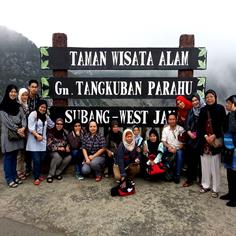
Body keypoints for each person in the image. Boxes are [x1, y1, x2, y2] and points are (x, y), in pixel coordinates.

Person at [198, 90, 226, 198]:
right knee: (205, 164)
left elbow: (223, 124)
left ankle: (215, 188)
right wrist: (205, 136)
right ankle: (206, 185)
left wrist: (214, 135)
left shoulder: (220, 108)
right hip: (204, 142)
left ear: (215, 97)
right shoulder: (203, 110)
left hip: (215, 141)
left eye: (211, 96)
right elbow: (199, 126)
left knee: (215, 165)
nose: (209, 98)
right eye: (207, 97)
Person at [0, 84, 26, 187]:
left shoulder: (18, 106)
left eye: (15, 92)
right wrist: (18, 129)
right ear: (7, 92)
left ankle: (15, 176)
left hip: (18, 134)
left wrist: (23, 127)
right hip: (8, 135)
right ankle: (9, 178)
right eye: (11, 91)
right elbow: (6, 122)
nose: (13, 93)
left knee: (15, 155)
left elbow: (23, 118)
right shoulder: (2, 106)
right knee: (8, 156)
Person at [26, 100, 54, 185]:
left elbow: (51, 124)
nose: (43, 109)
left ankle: (37, 172)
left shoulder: (45, 116)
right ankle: (36, 177)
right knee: (36, 159)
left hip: (42, 142)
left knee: (41, 159)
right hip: (34, 141)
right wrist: (37, 135)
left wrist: (58, 125)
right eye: (41, 107)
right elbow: (30, 128)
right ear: (38, 106)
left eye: (44, 107)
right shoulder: (33, 114)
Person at [183, 93, 205, 187]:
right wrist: (189, 132)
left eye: (196, 100)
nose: (195, 102)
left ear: (200, 100)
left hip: (203, 139)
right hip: (191, 139)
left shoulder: (204, 110)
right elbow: (186, 124)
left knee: (201, 161)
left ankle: (202, 180)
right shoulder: (191, 111)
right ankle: (190, 179)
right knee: (191, 160)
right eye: (193, 101)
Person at [220, 95, 236, 207]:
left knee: (235, 173)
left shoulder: (233, 115)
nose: (226, 105)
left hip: (235, 148)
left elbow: (233, 128)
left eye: (229, 103)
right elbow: (224, 128)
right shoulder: (229, 115)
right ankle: (231, 193)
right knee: (229, 172)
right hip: (228, 147)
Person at [161, 112, 185, 183]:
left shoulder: (181, 129)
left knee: (180, 154)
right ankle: (167, 172)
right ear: (168, 120)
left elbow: (183, 144)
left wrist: (176, 149)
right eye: (170, 119)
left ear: (176, 119)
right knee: (164, 151)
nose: (172, 121)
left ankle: (177, 175)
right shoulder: (165, 129)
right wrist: (169, 147)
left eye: (173, 119)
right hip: (169, 148)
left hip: (178, 149)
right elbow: (163, 141)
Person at [46, 118, 72, 183]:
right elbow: (48, 145)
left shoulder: (65, 132)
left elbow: (68, 142)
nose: (59, 125)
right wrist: (58, 148)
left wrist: (67, 146)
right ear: (55, 124)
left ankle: (57, 173)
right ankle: (50, 175)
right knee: (57, 156)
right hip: (53, 151)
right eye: (57, 124)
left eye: (61, 124)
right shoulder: (51, 132)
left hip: (63, 151)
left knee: (69, 157)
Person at [25, 79, 40, 176]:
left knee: (35, 147)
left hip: (36, 127)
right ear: (29, 87)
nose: (34, 89)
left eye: (36, 87)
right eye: (32, 87)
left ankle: (35, 169)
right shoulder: (25, 98)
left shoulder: (38, 98)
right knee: (27, 148)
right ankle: (27, 168)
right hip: (26, 127)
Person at [16, 88, 29, 180]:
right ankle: (18, 171)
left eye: (26, 95)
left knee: (24, 152)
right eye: (23, 95)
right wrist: (20, 130)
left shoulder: (26, 105)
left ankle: (23, 170)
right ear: (19, 96)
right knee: (19, 153)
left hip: (27, 132)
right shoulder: (18, 106)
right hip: (20, 131)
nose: (25, 97)